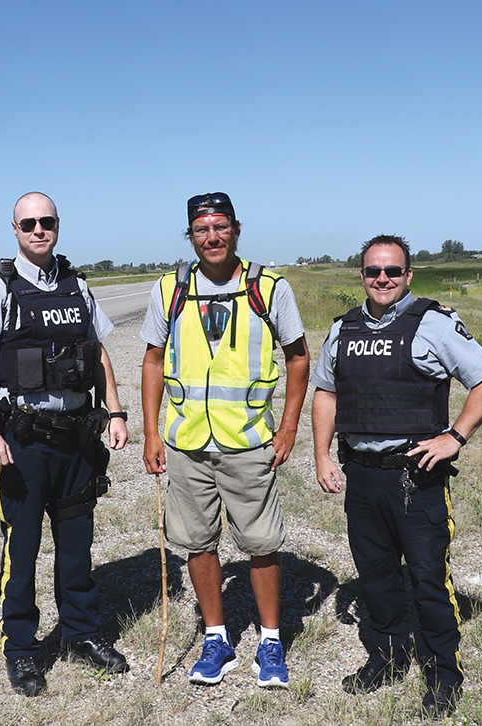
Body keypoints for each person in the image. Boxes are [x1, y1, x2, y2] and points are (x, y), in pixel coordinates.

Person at [311, 234, 482, 718]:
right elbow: (326, 393)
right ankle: (388, 658)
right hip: (362, 476)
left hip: (416, 478)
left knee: (427, 579)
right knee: (375, 577)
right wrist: (321, 456)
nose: (383, 279)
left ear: (409, 275)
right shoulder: (344, 329)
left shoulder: (433, 324)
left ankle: (443, 674)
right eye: (374, 271)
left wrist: (455, 438)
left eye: (393, 271)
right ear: (361, 274)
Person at [0, 191, 130, 697]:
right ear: (14, 229)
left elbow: (97, 354)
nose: (38, 230)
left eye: (46, 221)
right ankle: (23, 650)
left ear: (57, 225)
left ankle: (81, 635)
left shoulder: (77, 286)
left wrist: (115, 412)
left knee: (77, 548)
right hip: (23, 444)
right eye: (28, 223)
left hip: (77, 440)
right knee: (24, 549)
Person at [141, 192, 310, 688]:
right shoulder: (170, 289)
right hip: (188, 443)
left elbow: (299, 357)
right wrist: (152, 431)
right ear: (190, 236)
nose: (211, 237)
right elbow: (153, 359)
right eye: (200, 230)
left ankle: (271, 642)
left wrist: (289, 427)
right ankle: (217, 638)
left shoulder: (267, 287)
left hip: (248, 442)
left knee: (261, 543)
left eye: (220, 227)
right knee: (196, 542)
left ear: (236, 230)